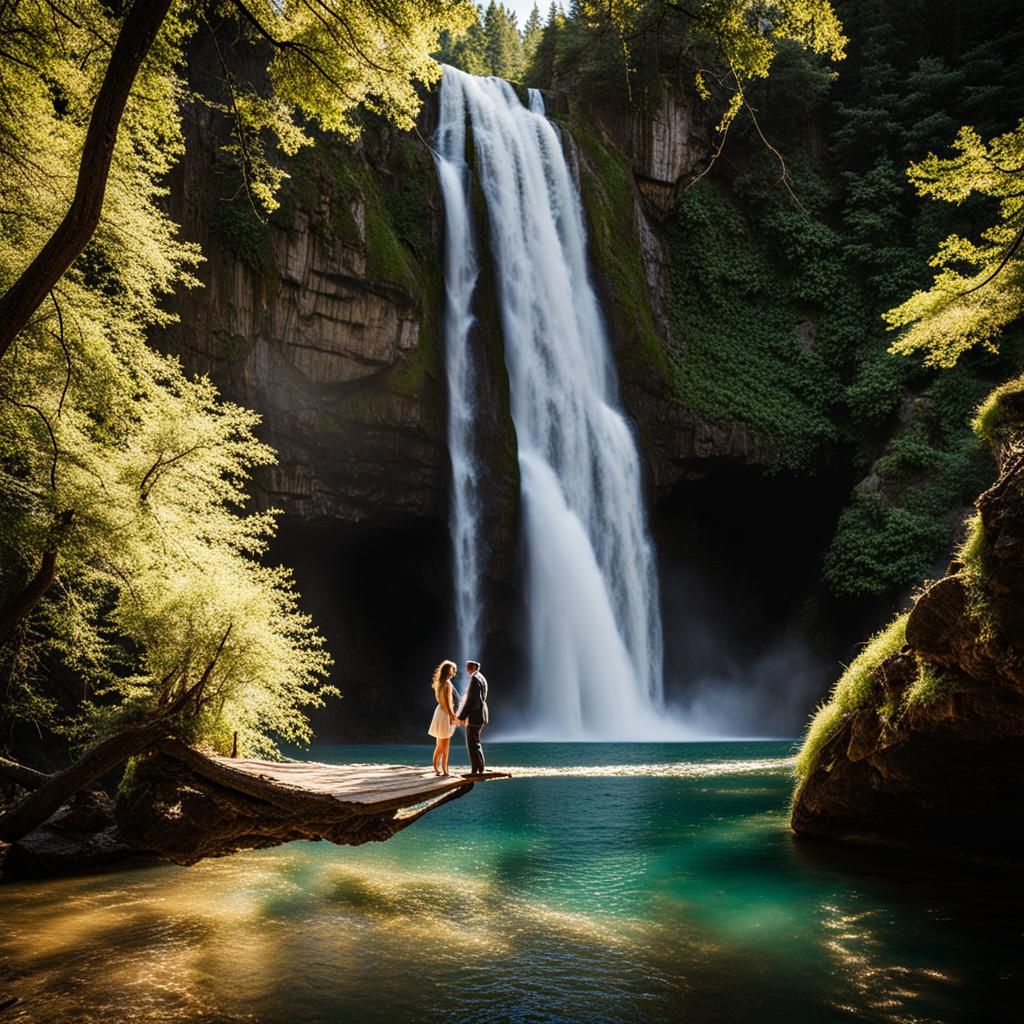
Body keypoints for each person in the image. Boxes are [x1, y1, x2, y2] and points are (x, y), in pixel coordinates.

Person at [456, 659, 489, 776]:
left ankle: (476, 769)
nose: (466, 669)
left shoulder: (474, 680)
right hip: (481, 714)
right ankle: (479, 767)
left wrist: (461, 716)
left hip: (475, 716)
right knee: (476, 742)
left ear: (473, 668)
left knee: (472, 743)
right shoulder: (482, 678)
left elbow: (471, 701)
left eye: (468, 667)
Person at [428, 659, 459, 776]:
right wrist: (452, 716)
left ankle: (436, 768)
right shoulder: (447, 684)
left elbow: (441, 701)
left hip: (439, 711)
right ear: (447, 670)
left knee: (439, 744)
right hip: (445, 713)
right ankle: (445, 770)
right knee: (445, 746)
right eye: (452, 669)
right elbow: (447, 702)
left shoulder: (439, 683)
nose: (454, 671)